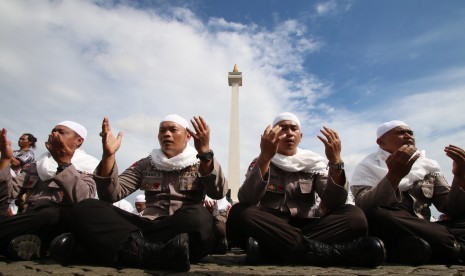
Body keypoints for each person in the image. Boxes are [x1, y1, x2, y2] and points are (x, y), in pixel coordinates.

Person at [50, 115, 228, 272]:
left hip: (180, 230)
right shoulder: (146, 164)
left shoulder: (201, 161)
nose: (167, 134)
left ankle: (107, 249)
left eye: (173, 130)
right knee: (86, 207)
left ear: (188, 136)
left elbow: (218, 192)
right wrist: (108, 156)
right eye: (162, 131)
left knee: (199, 216)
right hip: (145, 229)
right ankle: (151, 253)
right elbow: (110, 195)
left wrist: (205, 153)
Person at [226, 112, 385, 267]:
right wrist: (265, 158)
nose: (289, 133)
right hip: (270, 227)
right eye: (282, 128)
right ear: (272, 135)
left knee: (355, 216)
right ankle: (328, 252)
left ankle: (271, 252)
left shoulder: (314, 163)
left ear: (300, 136)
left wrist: (336, 163)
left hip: (308, 227)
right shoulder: (261, 161)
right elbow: (248, 198)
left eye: (293, 129)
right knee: (240, 211)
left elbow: (334, 202)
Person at [350, 120, 465, 265]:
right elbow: (364, 205)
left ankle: (437, 245)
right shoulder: (368, 166)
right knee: (377, 213)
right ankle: (453, 245)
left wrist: (460, 177)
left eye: (410, 132)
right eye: (400, 132)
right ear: (381, 142)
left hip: (425, 226)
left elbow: (450, 208)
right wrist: (394, 176)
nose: (408, 136)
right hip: (394, 226)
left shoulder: (428, 166)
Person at [0, 121, 98, 260]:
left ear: (78, 141)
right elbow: (6, 195)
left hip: (61, 222)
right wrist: (5, 159)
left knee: (50, 214)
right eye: (53, 131)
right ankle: (22, 245)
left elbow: (83, 199)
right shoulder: (38, 165)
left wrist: (64, 164)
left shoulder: (88, 164)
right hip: (30, 220)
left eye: (61, 132)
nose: (54, 134)